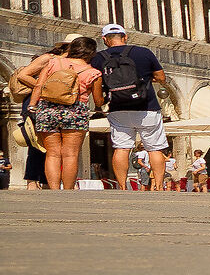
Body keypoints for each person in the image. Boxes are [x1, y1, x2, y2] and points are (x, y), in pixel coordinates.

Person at [12, 35, 102, 189]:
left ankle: (53, 190)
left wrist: (32, 105)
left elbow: (39, 85)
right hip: (75, 111)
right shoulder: (93, 72)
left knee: (52, 153)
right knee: (70, 154)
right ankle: (67, 190)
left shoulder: (53, 62)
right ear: (91, 53)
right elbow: (98, 101)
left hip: (48, 109)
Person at [93, 22, 174, 193]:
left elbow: (97, 81)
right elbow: (161, 77)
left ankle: (122, 186)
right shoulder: (143, 52)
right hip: (147, 107)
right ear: (125, 37)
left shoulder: (99, 58)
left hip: (118, 108)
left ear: (104, 40)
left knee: (122, 148)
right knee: (155, 148)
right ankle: (158, 186)